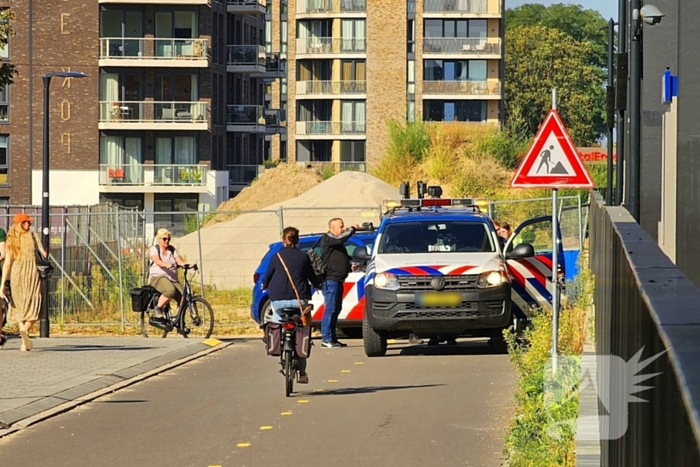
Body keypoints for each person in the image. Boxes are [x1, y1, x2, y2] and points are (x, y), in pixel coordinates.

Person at [262, 226, 320, 384]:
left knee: (276, 321)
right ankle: (302, 371)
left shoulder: (277, 256)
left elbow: (267, 277)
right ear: (298, 240)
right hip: (299, 301)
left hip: (278, 300)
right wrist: (318, 285)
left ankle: (275, 341)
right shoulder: (303, 257)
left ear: (283, 240)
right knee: (302, 330)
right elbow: (312, 277)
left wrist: (265, 285)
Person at [0, 213, 47, 351]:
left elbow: (7, 264)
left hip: (16, 274)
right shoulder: (33, 236)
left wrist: (2, 285)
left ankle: (23, 340)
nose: (29, 224)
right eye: (27, 222)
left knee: (20, 305)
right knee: (35, 304)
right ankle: (25, 330)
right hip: (32, 273)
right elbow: (44, 254)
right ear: (21, 223)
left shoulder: (11, 239)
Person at [320, 217, 359, 348]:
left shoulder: (336, 244)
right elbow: (341, 238)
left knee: (336, 309)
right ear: (332, 228)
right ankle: (326, 338)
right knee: (330, 309)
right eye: (341, 227)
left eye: (343, 226)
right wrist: (352, 229)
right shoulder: (329, 238)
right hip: (330, 280)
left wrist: (349, 266)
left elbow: (340, 258)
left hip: (338, 280)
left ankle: (332, 338)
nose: (343, 229)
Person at [149, 228, 195, 320]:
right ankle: (158, 308)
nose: (167, 241)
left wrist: (189, 265)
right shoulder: (155, 249)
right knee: (170, 290)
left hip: (172, 279)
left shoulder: (172, 250)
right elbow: (157, 261)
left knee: (184, 298)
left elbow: (180, 262)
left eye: (169, 239)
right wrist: (166, 265)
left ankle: (180, 323)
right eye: (164, 239)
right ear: (159, 239)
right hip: (158, 277)